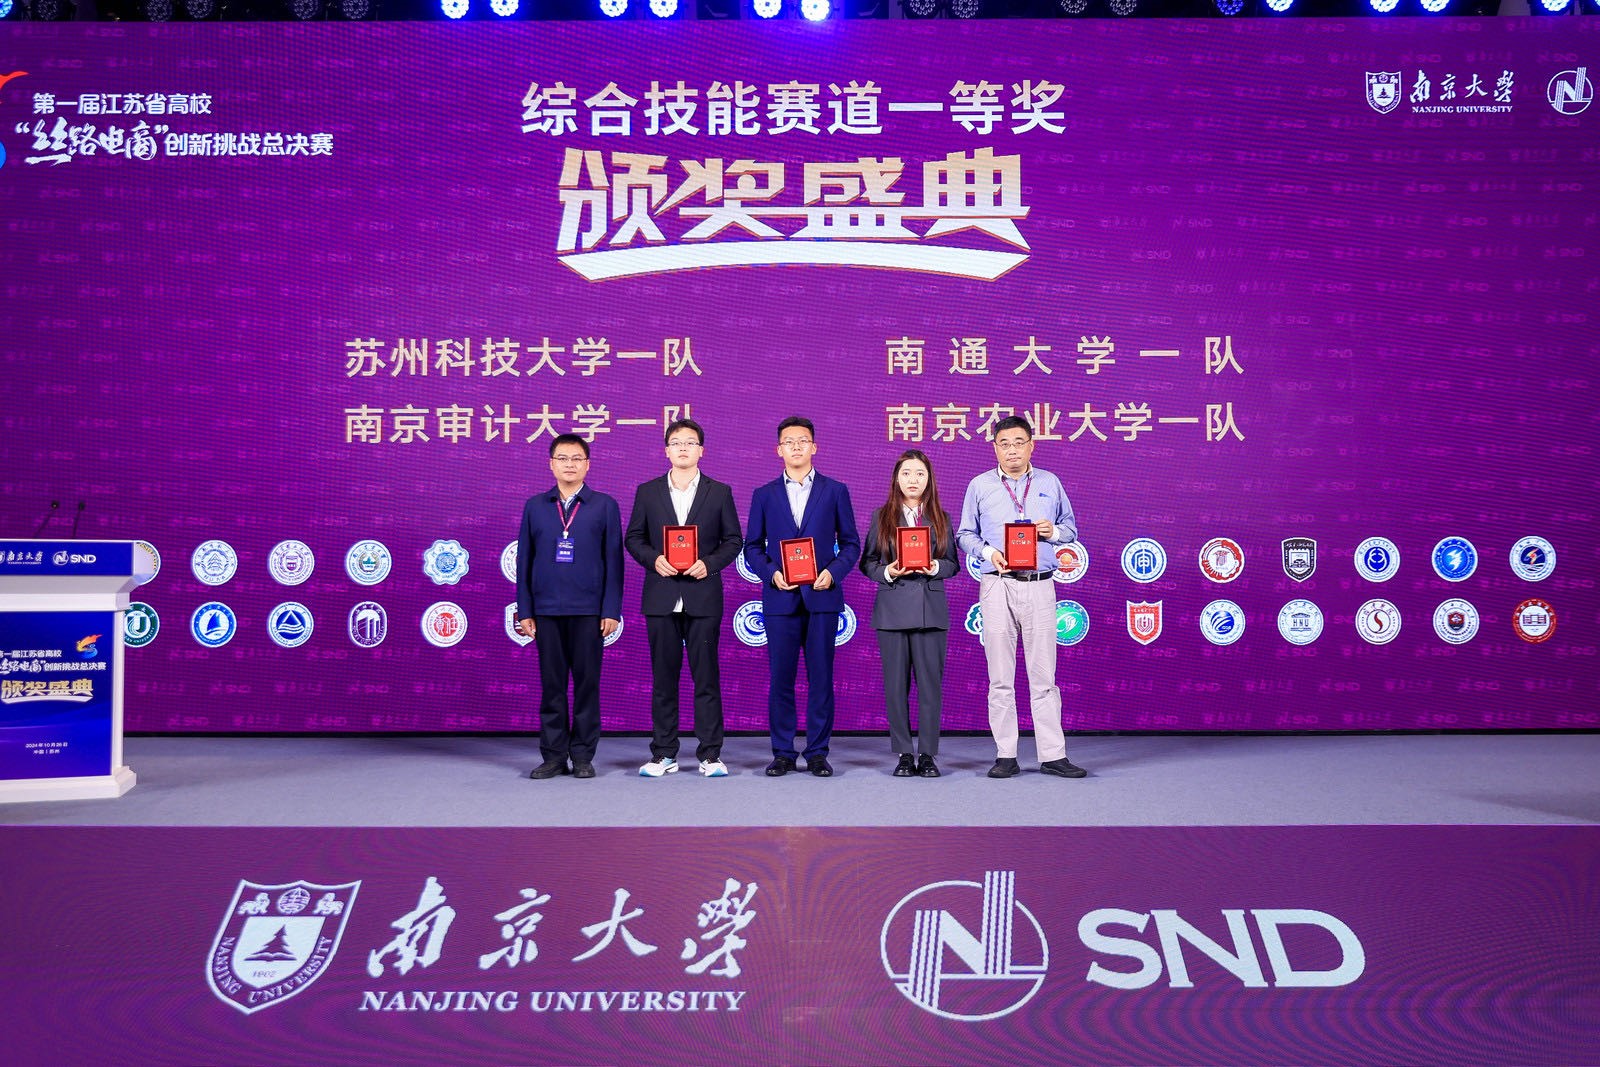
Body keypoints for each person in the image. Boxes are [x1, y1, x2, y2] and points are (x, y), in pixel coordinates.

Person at [956, 414, 1088, 780]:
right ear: (994, 448)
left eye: (1019, 442)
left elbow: (1071, 529)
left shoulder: (1049, 482)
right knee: (1000, 676)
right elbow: (964, 534)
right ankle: (1006, 754)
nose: (1012, 450)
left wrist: (1053, 532)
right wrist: (987, 552)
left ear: (1032, 445)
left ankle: (1053, 755)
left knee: (1044, 675)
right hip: (997, 583)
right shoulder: (979, 485)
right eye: (1004, 444)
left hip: (1040, 583)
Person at [624, 418, 743, 779]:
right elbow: (634, 537)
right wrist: (653, 559)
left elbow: (733, 540)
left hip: (702, 596)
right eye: (676, 442)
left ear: (701, 450)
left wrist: (709, 564)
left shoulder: (719, 492)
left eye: (690, 442)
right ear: (666, 450)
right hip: (661, 596)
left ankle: (710, 754)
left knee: (706, 679)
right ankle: (663, 753)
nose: (683, 448)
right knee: (663, 680)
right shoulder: (648, 491)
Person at [743, 416, 860, 778]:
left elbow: (851, 544)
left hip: (822, 597)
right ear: (778, 449)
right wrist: (772, 574)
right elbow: (751, 546)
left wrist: (833, 573)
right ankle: (782, 752)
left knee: (821, 679)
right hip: (780, 599)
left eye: (803, 440)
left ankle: (818, 752)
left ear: (814, 447)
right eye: (789, 441)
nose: (796, 446)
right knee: (781, 679)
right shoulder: (764, 494)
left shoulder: (835, 490)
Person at [516, 434, 623, 781]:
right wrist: (525, 609)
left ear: (587, 465)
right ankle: (553, 756)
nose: (570, 464)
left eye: (577, 458)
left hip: (589, 611)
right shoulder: (535, 506)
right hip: (546, 610)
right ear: (551, 464)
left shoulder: (604, 505)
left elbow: (614, 562)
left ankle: (583, 756)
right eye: (562, 458)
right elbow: (524, 561)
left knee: (587, 686)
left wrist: (610, 609)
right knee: (552, 687)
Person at [859, 449, 958, 778]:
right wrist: (888, 571)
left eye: (919, 473)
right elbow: (867, 563)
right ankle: (903, 753)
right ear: (896, 479)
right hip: (892, 612)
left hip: (931, 611)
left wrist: (935, 567)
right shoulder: (881, 517)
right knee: (895, 687)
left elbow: (953, 563)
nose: (912, 479)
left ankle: (927, 754)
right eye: (906, 473)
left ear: (929, 479)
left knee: (930, 688)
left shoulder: (941, 517)